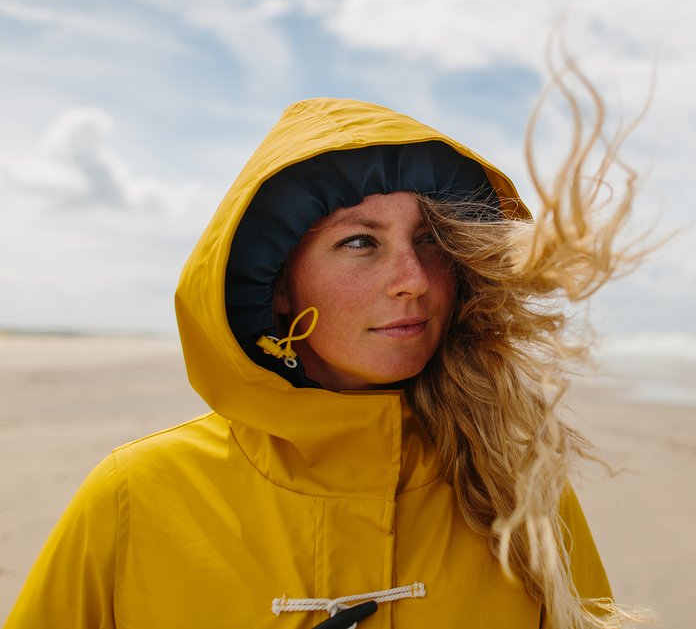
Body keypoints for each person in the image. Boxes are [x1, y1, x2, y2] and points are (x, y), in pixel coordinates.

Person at [6, 68, 650, 629]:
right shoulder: (135, 496)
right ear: (278, 284)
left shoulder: (518, 489)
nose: (414, 279)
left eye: (429, 241)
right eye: (360, 243)